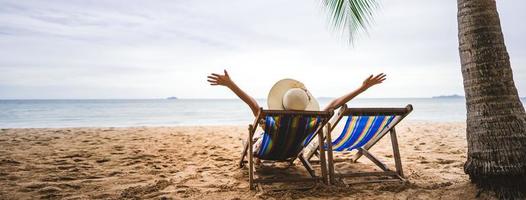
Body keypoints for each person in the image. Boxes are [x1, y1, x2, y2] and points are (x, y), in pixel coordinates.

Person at [206, 70, 386, 156]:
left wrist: (230, 84)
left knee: (256, 137)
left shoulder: (273, 122)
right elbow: (335, 103)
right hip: (292, 152)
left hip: (266, 152)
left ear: (282, 104)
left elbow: (252, 103)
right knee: (264, 134)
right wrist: (363, 88)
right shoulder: (313, 122)